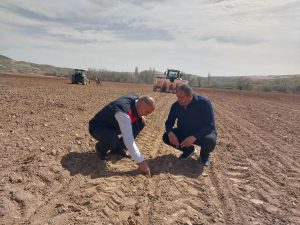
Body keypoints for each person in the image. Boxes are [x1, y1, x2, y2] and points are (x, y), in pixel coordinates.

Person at [89, 95, 155, 175]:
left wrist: (141, 116)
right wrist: (141, 161)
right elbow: (129, 140)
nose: (147, 115)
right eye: (147, 112)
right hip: (98, 127)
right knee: (113, 141)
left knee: (140, 123)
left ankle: (118, 149)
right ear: (141, 104)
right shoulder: (123, 113)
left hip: (113, 126)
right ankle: (100, 148)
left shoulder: (136, 101)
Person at [162, 84, 217, 166]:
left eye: (181, 97)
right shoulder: (175, 106)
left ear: (190, 96)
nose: (178, 100)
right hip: (185, 131)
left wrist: (194, 136)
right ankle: (188, 150)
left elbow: (210, 125)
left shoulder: (203, 103)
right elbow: (169, 122)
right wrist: (170, 133)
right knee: (166, 137)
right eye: (177, 97)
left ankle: (204, 155)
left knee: (210, 141)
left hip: (201, 133)